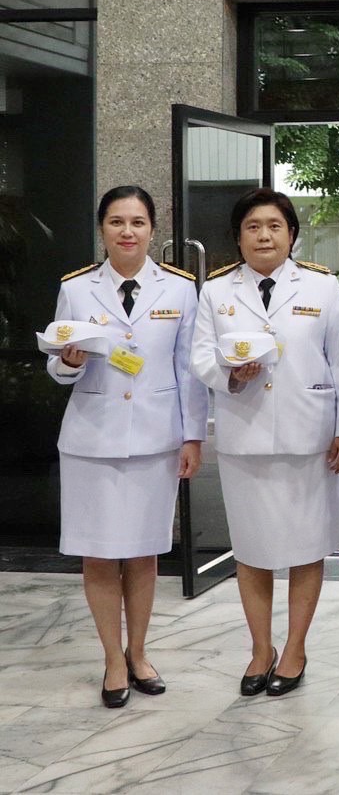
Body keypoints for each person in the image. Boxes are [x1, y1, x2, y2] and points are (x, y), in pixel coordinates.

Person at [47, 185, 205, 708]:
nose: (127, 232)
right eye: (117, 222)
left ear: (152, 230)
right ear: (102, 230)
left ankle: (139, 654)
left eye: (137, 223)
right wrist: (68, 361)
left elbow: (188, 371)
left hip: (156, 437)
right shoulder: (76, 288)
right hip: (92, 437)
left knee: (143, 554)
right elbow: (57, 364)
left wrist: (192, 436)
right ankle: (113, 660)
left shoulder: (181, 290)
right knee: (98, 555)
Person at [191, 189, 339, 697]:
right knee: (253, 550)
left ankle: (296, 648)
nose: (264, 235)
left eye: (275, 226)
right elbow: (198, 357)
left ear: (291, 234)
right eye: (253, 227)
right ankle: (261, 649)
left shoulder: (324, 288)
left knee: (308, 547)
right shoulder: (216, 292)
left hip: (310, 435)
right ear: (238, 237)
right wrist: (228, 373)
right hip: (247, 435)